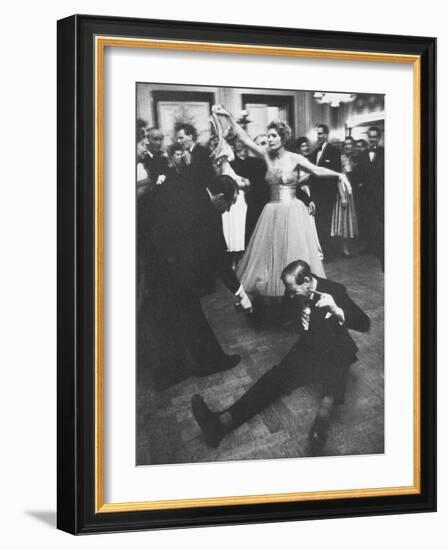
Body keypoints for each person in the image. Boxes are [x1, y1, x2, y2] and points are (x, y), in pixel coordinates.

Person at [191, 259, 370, 452]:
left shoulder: (334, 290)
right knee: (272, 380)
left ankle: (320, 429)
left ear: (307, 281)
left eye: (293, 290)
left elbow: (364, 323)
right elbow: (281, 314)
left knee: (330, 392)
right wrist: (251, 307)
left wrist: (337, 310)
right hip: (307, 349)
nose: (290, 295)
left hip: (335, 351)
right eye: (289, 290)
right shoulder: (293, 291)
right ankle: (221, 423)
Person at [212, 105, 351, 298]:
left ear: (283, 137)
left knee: (294, 254)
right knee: (273, 256)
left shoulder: (295, 158)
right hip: (272, 212)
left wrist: (339, 175)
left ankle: (299, 292)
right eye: (268, 136)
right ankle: (279, 294)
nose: (269, 139)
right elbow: (243, 137)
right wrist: (228, 116)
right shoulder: (266, 156)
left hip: (293, 211)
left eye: (274, 136)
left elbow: (316, 170)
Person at [141, 174, 253, 390]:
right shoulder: (208, 213)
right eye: (229, 204)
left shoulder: (187, 186)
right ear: (220, 197)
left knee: (166, 318)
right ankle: (207, 363)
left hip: (153, 261)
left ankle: (171, 372)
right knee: (187, 313)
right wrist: (241, 293)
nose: (228, 210)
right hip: (170, 269)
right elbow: (221, 259)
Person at [309, 124, 342, 259]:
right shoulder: (314, 152)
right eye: (317, 134)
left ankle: (328, 253)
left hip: (328, 194)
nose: (319, 136)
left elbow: (336, 174)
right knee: (317, 223)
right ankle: (320, 251)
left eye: (321, 134)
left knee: (326, 224)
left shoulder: (334, 152)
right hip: (315, 193)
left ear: (327, 135)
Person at [330, 136, 359, 257]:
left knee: (349, 221)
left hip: (352, 192)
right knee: (343, 220)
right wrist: (342, 196)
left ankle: (347, 247)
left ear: (353, 146)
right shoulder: (340, 158)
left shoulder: (355, 158)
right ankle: (343, 248)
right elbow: (337, 178)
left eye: (350, 144)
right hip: (342, 191)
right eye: (346, 144)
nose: (348, 146)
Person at [175, 122, 215, 189]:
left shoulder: (203, 152)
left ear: (190, 137)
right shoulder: (184, 154)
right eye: (177, 139)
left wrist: (189, 164)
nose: (178, 141)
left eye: (181, 138)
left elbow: (205, 177)